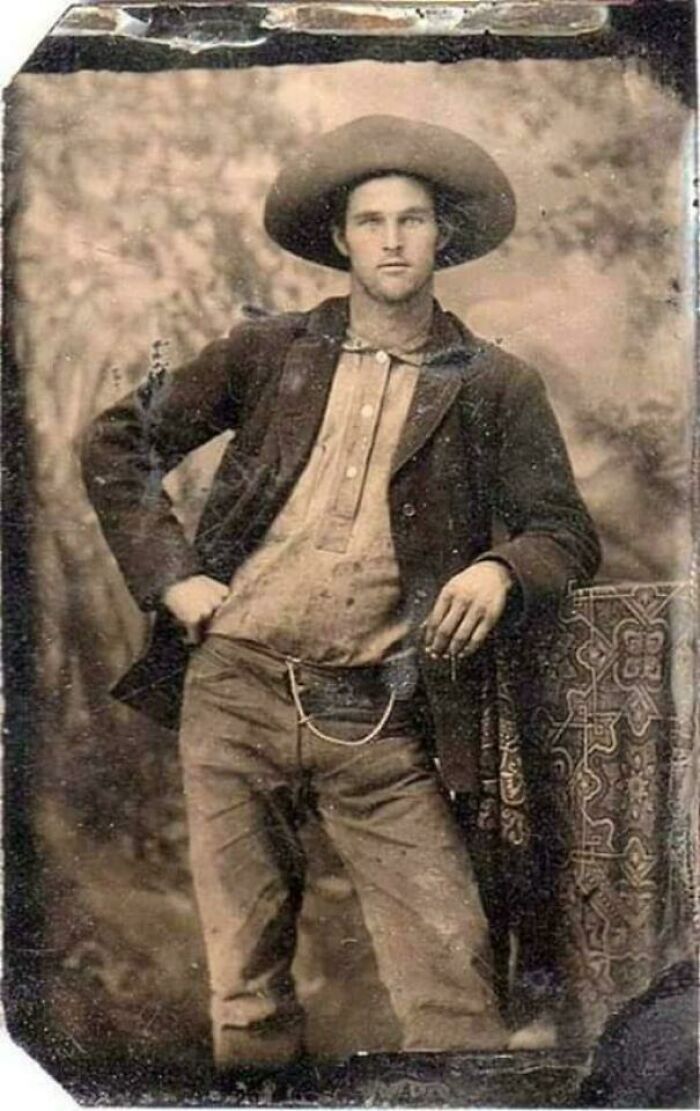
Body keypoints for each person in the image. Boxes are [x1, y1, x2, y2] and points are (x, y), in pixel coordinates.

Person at [82, 115, 601, 1067]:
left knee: (454, 979)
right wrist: (175, 577)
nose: (394, 240)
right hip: (234, 692)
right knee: (246, 987)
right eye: (372, 221)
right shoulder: (270, 351)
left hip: (382, 718)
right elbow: (119, 445)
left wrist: (501, 567)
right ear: (340, 238)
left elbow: (566, 534)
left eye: (413, 219)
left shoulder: (494, 383)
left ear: (445, 234)